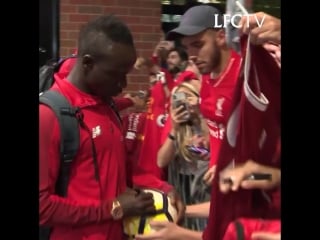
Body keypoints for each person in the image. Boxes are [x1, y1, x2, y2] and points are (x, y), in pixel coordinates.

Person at [39, 15, 157, 240]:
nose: (123, 85)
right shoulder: (49, 116)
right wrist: (114, 208)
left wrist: (161, 187)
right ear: (87, 63)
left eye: (126, 75)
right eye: (116, 75)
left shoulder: (107, 105)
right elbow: (42, 207)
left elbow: (118, 169)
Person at [136, 5, 243, 239]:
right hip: (220, 197)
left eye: (198, 44)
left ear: (221, 36)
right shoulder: (207, 80)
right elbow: (214, 133)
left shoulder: (245, 75)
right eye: (187, 48)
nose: (192, 55)